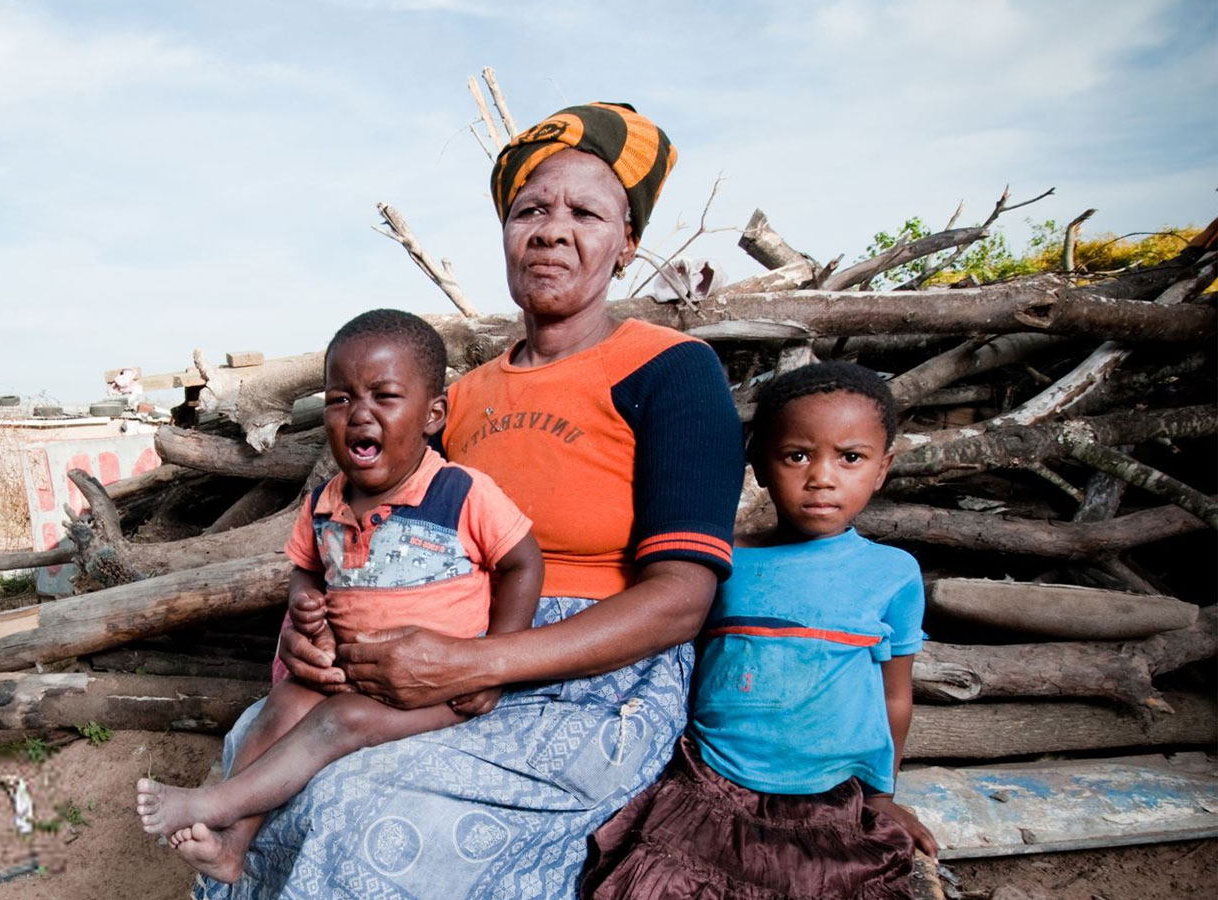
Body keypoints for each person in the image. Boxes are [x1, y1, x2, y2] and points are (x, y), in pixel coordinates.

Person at [192, 102, 746, 899]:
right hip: (438, 643)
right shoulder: (460, 398)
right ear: (506, 234)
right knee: (259, 744)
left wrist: (478, 659)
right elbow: (375, 535)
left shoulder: (672, 371)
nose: (553, 230)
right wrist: (311, 637)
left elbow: (680, 601)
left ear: (626, 244)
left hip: (597, 676)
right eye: (531, 210)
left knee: (361, 804)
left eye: (585, 212)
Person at [136, 308, 545, 882]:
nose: (360, 414)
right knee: (280, 710)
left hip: (438, 688)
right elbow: (306, 570)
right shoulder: (323, 502)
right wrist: (304, 606)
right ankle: (234, 846)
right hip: (349, 673)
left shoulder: (461, 492)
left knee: (340, 721)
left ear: (433, 415)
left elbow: (524, 562)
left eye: (385, 395)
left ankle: (217, 804)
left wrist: (492, 665)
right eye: (340, 398)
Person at [585, 361, 938, 899]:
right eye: (797, 455)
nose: (822, 477)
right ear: (761, 465)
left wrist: (882, 796)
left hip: (829, 795)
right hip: (711, 785)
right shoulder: (723, 559)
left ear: (882, 468)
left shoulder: (892, 573)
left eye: (850, 458)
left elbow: (894, 694)